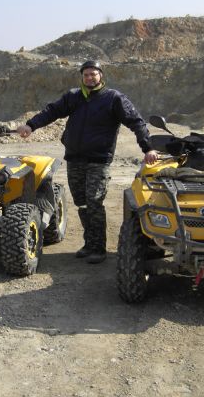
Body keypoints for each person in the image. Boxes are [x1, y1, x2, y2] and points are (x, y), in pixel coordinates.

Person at [17, 60, 158, 264]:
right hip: (75, 159)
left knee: (94, 202)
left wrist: (148, 148)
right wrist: (31, 126)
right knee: (82, 203)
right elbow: (51, 112)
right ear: (82, 77)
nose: (90, 78)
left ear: (101, 75)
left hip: (99, 160)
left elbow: (136, 122)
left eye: (93, 74)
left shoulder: (113, 98)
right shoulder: (73, 96)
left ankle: (99, 248)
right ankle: (89, 244)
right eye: (86, 75)